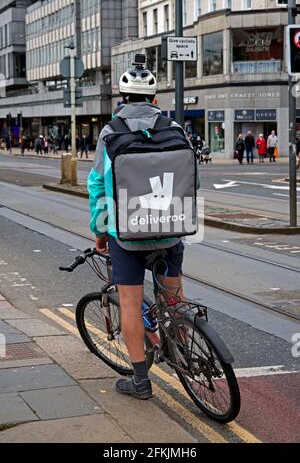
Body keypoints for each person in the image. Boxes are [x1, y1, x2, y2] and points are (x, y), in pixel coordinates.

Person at [87, 60, 190, 400]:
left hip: (128, 236)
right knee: (173, 298)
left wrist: (100, 231)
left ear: (123, 95)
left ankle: (141, 382)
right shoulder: (174, 127)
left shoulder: (111, 132)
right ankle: (186, 355)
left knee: (130, 304)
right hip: (171, 230)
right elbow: (192, 181)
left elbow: (98, 186)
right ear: (154, 97)